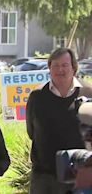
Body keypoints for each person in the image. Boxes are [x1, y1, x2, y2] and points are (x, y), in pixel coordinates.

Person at [26, 48, 92, 194]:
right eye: (55, 65)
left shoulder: (89, 93)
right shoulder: (37, 97)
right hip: (43, 178)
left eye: (65, 65)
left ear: (74, 68)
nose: (60, 70)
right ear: (49, 68)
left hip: (79, 177)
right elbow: (31, 132)